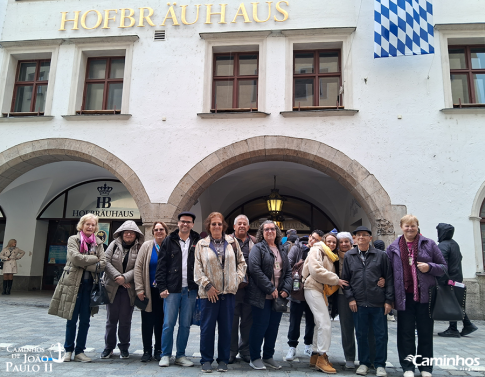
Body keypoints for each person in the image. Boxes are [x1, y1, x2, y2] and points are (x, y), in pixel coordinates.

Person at [387, 215, 447, 377]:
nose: (410, 229)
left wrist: (430, 267)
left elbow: (443, 267)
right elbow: (388, 273)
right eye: (407, 226)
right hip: (403, 297)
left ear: (417, 227)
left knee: (425, 333)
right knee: (405, 333)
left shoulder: (429, 244)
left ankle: (425, 367)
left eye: (413, 226)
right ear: (401, 227)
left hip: (425, 297)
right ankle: (407, 367)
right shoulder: (393, 248)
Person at [48, 214, 106, 363]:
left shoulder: (98, 243)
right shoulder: (73, 239)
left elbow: (103, 264)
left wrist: (84, 261)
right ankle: (68, 350)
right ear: (82, 225)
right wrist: (94, 259)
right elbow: (75, 258)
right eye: (88, 224)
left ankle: (80, 351)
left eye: (93, 225)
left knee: (85, 320)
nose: (90, 227)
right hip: (73, 284)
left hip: (89, 286)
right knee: (71, 319)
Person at [194, 212, 247, 372]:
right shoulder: (201, 244)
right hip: (209, 294)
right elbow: (197, 269)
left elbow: (242, 263)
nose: (216, 226)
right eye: (213, 224)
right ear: (209, 227)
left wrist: (235, 280)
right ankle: (206, 360)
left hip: (228, 294)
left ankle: (223, 359)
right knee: (207, 328)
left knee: (226, 329)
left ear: (223, 226)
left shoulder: (232, 243)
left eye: (219, 224)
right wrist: (208, 286)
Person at [341, 226, 394, 377]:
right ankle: (363, 362)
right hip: (358, 302)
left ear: (370, 238)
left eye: (365, 235)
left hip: (378, 301)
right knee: (361, 334)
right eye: (359, 235)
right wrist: (350, 298)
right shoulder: (349, 256)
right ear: (355, 238)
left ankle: (380, 364)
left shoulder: (380, 255)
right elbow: (346, 280)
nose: (362, 238)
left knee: (381, 334)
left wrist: (388, 300)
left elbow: (388, 278)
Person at [156, 211, 200, 367]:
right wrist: (162, 286)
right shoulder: (169, 241)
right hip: (172, 289)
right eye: (183, 221)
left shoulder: (198, 241)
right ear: (178, 223)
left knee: (185, 325)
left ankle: (180, 355)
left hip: (190, 289)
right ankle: (165, 354)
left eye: (188, 222)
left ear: (192, 224)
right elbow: (161, 266)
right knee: (168, 323)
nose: (185, 224)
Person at [247, 220, 292, 370]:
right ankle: (254, 357)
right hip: (261, 295)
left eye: (272, 229)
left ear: (277, 231)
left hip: (278, 297)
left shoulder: (282, 249)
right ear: (262, 232)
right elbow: (254, 269)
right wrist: (270, 287)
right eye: (266, 229)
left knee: (273, 327)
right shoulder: (258, 248)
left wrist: (286, 289)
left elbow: (289, 272)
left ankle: (268, 356)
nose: (270, 231)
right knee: (260, 326)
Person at [101, 220, 144, 359]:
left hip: (128, 289)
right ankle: (109, 347)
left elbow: (139, 266)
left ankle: (124, 347)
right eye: (126, 232)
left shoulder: (140, 248)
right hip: (112, 287)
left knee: (125, 320)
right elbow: (105, 262)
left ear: (136, 234)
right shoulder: (113, 245)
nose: (129, 234)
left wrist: (124, 278)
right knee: (111, 320)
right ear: (121, 233)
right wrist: (118, 277)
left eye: (132, 232)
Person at [303, 236, 345, 374]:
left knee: (319, 322)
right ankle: (322, 356)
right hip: (312, 287)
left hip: (320, 290)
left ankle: (315, 355)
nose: (332, 244)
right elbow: (315, 270)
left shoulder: (330, 254)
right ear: (324, 241)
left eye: (334, 242)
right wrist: (336, 280)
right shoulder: (317, 250)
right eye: (329, 241)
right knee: (325, 323)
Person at [285, 229, 323, 362]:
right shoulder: (297, 249)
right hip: (298, 291)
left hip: (313, 290)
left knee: (311, 321)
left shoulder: (321, 252)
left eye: (316, 240)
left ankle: (308, 345)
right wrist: (298, 265)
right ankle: (292, 346)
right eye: (312, 238)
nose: (312, 241)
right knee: (294, 320)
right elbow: (287, 265)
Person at [134, 221, 169, 362]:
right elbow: (138, 267)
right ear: (153, 232)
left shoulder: (170, 246)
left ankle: (159, 349)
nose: (159, 232)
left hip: (164, 292)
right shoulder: (146, 246)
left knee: (161, 322)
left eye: (161, 229)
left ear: (166, 232)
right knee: (147, 321)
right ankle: (147, 350)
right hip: (148, 291)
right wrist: (139, 289)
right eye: (156, 230)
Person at [436, 223, 478, 337]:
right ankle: (467, 325)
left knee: (451, 303)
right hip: (457, 277)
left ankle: (454, 328)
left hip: (448, 279)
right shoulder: (454, 244)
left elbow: (442, 264)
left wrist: (439, 279)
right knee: (455, 302)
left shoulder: (443, 245)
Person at [229, 214, 256, 364]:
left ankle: (245, 350)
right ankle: (231, 351)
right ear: (234, 227)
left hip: (250, 288)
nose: (242, 226)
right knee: (232, 321)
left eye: (244, 224)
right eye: (239, 224)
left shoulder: (255, 242)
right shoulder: (227, 241)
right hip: (233, 288)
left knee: (247, 321)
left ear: (248, 227)